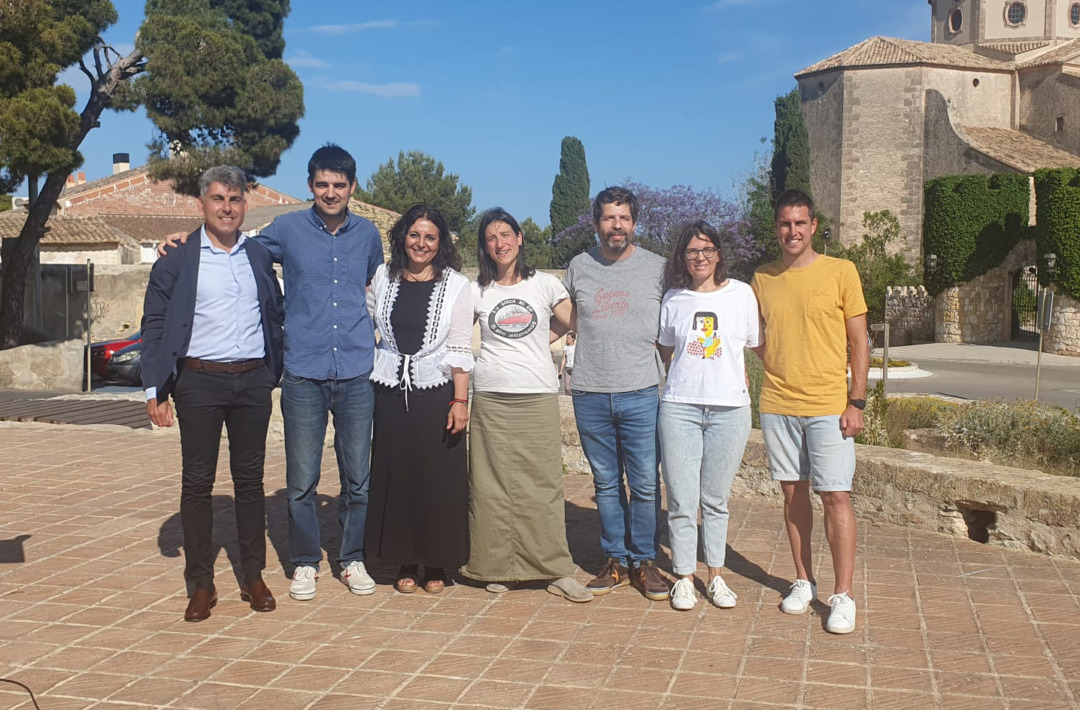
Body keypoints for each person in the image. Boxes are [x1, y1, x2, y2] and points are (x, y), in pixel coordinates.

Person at [160, 144, 385, 601]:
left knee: (358, 477)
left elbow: (383, 288)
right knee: (301, 480)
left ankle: (351, 557)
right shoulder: (284, 229)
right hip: (303, 370)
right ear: (310, 186)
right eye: (322, 184)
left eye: (339, 185)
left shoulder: (368, 235)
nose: (330, 192)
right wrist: (184, 239)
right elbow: (229, 243)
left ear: (353, 188)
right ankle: (304, 561)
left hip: (358, 370)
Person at [141, 165, 284, 622]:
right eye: (218, 198)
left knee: (250, 482)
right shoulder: (177, 259)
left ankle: (253, 575)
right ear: (201, 203)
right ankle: (201, 584)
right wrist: (155, 389)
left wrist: (270, 371)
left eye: (235, 199)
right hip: (198, 382)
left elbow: (274, 312)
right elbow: (155, 325)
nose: (227, 207)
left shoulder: (259, 256)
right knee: (197, 484)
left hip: (252, 381)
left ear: (246, 204)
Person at [751, 189, 868, 635]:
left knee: (836, 496)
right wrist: (780, 366)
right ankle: (803, 580)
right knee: (793, 496)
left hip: (829, 406)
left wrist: (855, 401)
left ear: (814, 225)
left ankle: (843, 595)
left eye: (800, 223)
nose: (792, 231)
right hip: (779, 405)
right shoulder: (762, 277)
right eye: (784, 224)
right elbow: (756, 336)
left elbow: (860, 341)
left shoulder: (841, 272)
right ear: (776, 227)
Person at [460, 208, 592, 603]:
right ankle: (495, 567)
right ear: (485, 247)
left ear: (520, 237)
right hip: (491, 395)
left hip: (536, 395)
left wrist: (536, 342)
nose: (499, 243)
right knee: (490, 486)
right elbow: (454, 338)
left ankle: (555, 569)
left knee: (545, 483)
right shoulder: (477, 290)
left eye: (505, 234)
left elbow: (575, 323)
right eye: (490, 238)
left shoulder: (545, 285)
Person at [564, 187, 668, 601]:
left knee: (644, 484)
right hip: (590, 392)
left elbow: (675, 329)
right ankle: (615, 562)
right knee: (606, 483)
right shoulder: (578, 266)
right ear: (596, 224)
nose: (616, 225)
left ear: (634, 223)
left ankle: (644, 561)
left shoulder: (659, 269)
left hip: (643, 391)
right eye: (608, 218)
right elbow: (561, 319)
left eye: (623, 218)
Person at [365, 204, 473, 594]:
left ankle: (437, 563)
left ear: (440, 242)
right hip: (390, 391)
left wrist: (459, 401)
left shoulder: (457, 286)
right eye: (414, 235)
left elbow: (460, 346)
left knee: (436, 478)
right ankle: (405, 561)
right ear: (402, 237)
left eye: (430, 237)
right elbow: (369, 324)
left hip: (437, 392)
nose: (421, 243)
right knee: (398, 475)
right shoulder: (383, 277)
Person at [656, 221, 760, 612]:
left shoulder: (742, 295)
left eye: (707, 249)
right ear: (683, 257)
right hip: (680, 407)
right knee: (682, 498)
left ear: (719, 253)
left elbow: (755, 346)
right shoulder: (674, 298)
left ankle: (715, 576)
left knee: (715, 499)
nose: (700, 257)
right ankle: (684, 576)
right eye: (692, 251)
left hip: (730, 409)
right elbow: (665, 352)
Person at [559, 332, 576, 396]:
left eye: (568, 338)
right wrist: (561, 370)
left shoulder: (576, 347)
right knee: (567, 387)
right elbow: (564, 359)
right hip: (567, 368)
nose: (567, 339)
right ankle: (568, 397)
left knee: (574, 386)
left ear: (573, 339)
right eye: (567, 338)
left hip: (575, 368)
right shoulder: (565, 347)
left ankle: (573, 398)